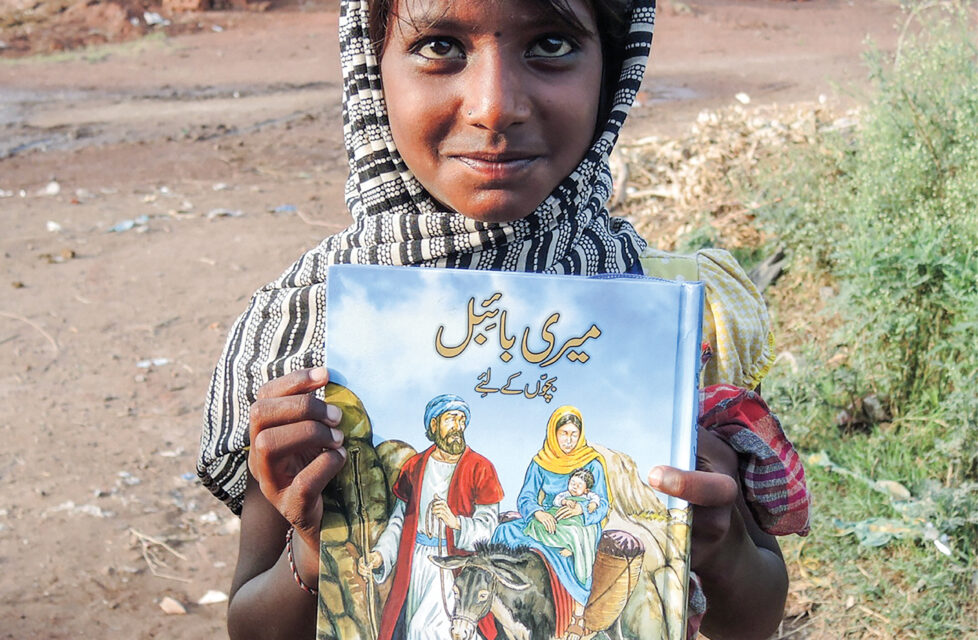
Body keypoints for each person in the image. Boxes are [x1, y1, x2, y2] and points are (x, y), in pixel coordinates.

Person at [195, 0, 809, 639]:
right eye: (439, 46)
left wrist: (721, 542)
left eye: (550, 44)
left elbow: (753, 620)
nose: (494, 106)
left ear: (615, 63)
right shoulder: (305, 331)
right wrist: (319, 554)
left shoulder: (680, 322)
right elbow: (253, 624)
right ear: (371, 65)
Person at [356, 395, 503, 640]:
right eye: (451, 419)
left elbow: (489, 527)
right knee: (413, 629)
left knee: (429, 629)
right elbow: (399, 521)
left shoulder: (481, 467)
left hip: (456, 565)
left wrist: (456, 523)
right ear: (434, 425)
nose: (458, 427)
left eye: (462, 420)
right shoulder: (415, 466)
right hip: (417, 564)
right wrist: (380, 554)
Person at [493, 407, 608, 630]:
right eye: (564, 433)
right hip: (547, 518)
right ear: (554, 434)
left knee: (571, 546)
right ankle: (496, 594)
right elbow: (526, 497)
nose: (569, 440)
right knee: (503, 532)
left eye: (574, 434)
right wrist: (538, 512)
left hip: (580, 524)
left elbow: (603, 504)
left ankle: (576, 613)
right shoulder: (541, 462)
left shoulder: (592, 462)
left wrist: (581, 511)